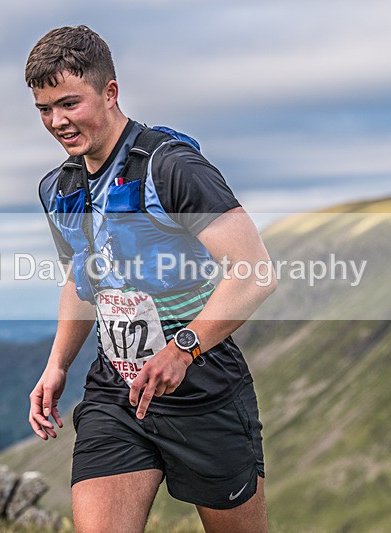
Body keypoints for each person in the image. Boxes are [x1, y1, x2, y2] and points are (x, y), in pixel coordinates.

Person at [26, 25, 276, 533]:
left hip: (203, 388)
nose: (57, 121)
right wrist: (57, 365)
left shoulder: (172, 166)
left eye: (70, 103)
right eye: (45, 109)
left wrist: (182, 350)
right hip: (115, 391)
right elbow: (83, 280)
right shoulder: (58, 188)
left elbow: (255, 273)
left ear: (110, 92)